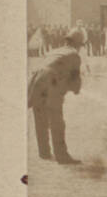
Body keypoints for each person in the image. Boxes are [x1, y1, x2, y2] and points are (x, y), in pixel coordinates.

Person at [27, 27, 86, 164]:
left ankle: (44, 152)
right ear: (78, 44)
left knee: (40, 117)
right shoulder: (74, 54)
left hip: (36, 82)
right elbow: (74, 79)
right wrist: (76, 89)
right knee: (57, 121)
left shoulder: (54, 50)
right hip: (51, 83)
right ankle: (61, 156)